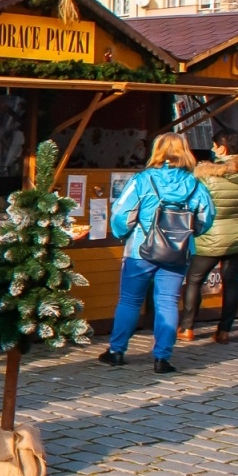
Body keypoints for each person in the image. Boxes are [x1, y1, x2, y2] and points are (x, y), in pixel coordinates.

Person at [98, 132, 215, 374]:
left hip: (141, 249)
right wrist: (188, 235)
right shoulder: (195, 184)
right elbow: (206, 217)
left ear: (157, 151)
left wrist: (124, 233)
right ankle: (162, 358)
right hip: (178, 252)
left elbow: (121, 213)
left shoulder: (142, 180)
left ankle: (117, 351)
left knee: (130, 301)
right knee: (168, 302)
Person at [179, 129, 238, 344]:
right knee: (231, 282)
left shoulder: (206, 174)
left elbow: (194, 204)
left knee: (194, 280)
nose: (212, 150)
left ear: (222, 148)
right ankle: (224, 331)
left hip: (210, 236)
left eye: (214, 146)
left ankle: (187, 328)